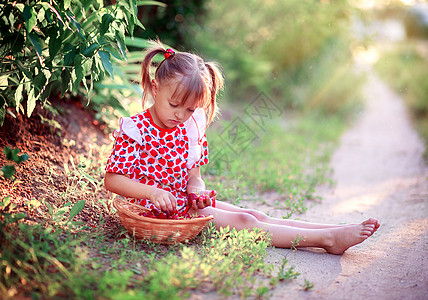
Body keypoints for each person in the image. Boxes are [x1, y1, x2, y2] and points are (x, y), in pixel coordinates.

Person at [104, 41, 380, 255]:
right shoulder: (136, 129)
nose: (180, 115)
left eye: (189, 109)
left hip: (184, 203)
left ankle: (332, 230)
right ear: (155, 87)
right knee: (244, 222)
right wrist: (153, 192)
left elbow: (194, 175)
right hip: (154, 209)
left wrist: (196, 190)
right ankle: (327, 240)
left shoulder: (189, 128)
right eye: (174, 105)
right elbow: (113, 179)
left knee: (255, 215)